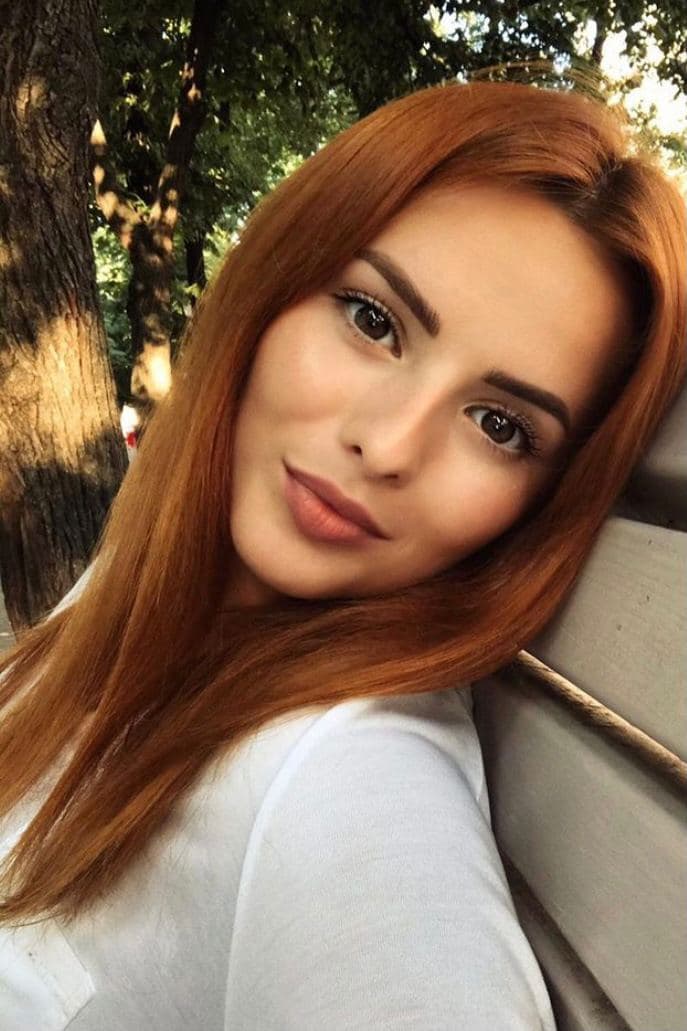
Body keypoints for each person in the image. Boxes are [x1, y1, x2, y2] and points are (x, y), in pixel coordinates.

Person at [0, 77, 685, 1030]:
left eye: (498, 424)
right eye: (373, 321)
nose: (388, 444)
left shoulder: (350, 778)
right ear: (271, 286)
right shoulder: (142, 576)